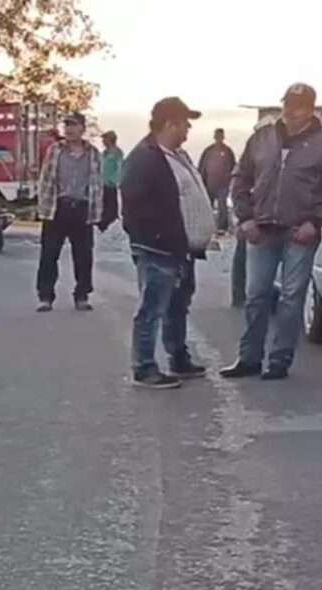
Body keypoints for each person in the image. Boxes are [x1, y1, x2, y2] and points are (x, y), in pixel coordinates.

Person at [220, 83, 322, 381]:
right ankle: (249, 358)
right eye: (288, 104)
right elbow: (241, 178)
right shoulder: (262, 137)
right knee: (256, 295)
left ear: (310, 110)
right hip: (261, 230)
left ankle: (279, 361)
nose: (291, 111)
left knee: (292, 299)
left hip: (299, 233)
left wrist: (315, 222)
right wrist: (245, 218)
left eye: (298, 106)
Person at [122, 97, 212, 389]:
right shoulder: (144, 159)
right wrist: (159, 237)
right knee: (152, 308)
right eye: (185, 123)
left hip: (180, 249)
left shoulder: (177, 156)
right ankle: (144, 367)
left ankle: (178, 357)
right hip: (159, 248)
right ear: (170, 124)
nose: (188, 130)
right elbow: (134, 207)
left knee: (177, 306)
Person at [34, 112, 105, 312]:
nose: (69, 129)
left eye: (73, 125)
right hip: (58, 207)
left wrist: (97, 211)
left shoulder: (93, 154)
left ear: (83, 128)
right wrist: (43, 206)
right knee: (49, 254)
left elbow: (97, 183)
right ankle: (45, 296)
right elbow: (45, 179)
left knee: (83, 256)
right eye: (67, 125)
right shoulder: (55, 151)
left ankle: (82, 295)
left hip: (82, 208)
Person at [198, 128, 237, 233]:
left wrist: (230, 181)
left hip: (223, 185)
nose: (219, 138)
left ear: (223, 137)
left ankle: (222, 228)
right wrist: (201, 182)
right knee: (207, 207)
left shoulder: (228, 151)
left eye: (220, 136)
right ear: (214, 137)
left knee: (222, 206)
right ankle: (206, 227)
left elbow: (234, 167)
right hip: (209, 185)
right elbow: (202, 167)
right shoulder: (208, 151)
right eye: (217, 136)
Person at [100, 130, 123, 231]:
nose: (103, 141)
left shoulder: (117, 153)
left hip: (110, 185)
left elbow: (120, 168)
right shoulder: (104, 153)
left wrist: (114, 180)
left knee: (111, 208)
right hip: (101, 184)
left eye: (105, 139)